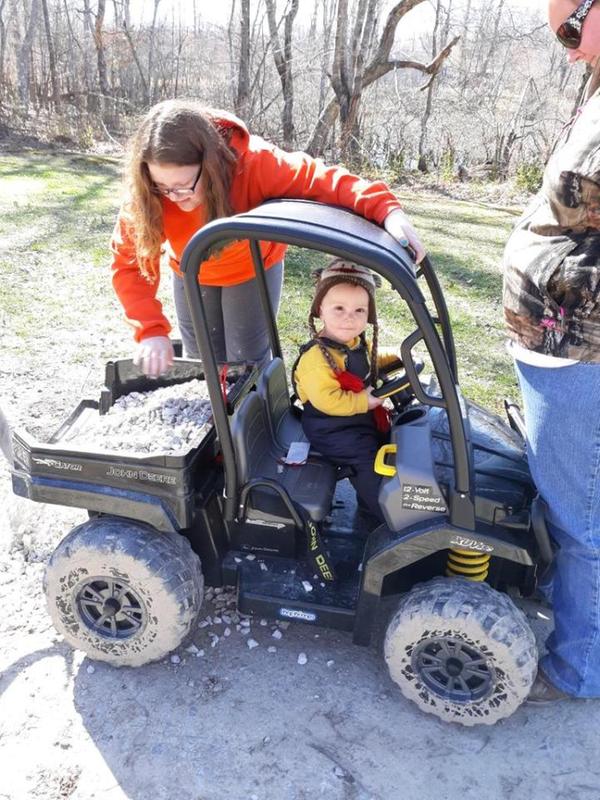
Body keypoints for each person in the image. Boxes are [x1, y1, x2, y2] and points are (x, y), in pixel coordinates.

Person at [109, 99, 425, 378]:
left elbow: (320, 179)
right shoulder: (148, 192)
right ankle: (214, 425)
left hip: (252, 268)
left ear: (210, 164)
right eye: (163, 188)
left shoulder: (254, 163)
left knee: (245, 364)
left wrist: (387, 211)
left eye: (183, 186)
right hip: (191, 269)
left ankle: (250, 423)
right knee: (202, 364)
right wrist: (150, 330)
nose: (174, 197)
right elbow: (129, 263)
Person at [503, 0, 600, 703]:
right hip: (554, 349)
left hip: (579, 354)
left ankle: (578, 669)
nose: (567, 49)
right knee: (568, 502)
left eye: (571, 28)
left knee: (582, 521)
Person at [293, 260, 398, 523]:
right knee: (367, 460)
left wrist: (398, 357)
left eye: (359, 310)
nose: (349, 317)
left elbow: (370, 359)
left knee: (391, 440)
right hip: (331, 429)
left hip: (355, 419)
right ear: (320, 309)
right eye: (339, 308)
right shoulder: (316, 359)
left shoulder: (353, 342)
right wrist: (364, 402)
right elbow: (328, 401)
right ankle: (382, 511)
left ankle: (370, 504)